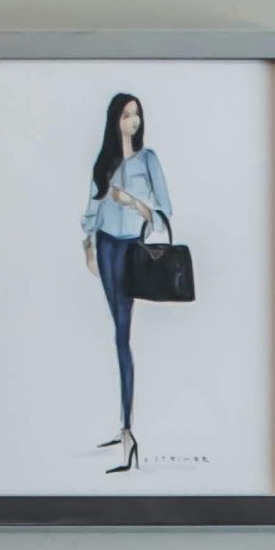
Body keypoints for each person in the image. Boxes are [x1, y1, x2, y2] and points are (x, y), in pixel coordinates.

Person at [81, 92, 170, 473]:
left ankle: (128, 428)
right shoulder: (104, 161)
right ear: (114, 120)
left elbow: (162, 210)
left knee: (123, 334)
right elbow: (91, 207)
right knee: (117, 332)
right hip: (104, 247)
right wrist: (88, 246)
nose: (132, 122)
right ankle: (124, 428)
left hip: (131, 247)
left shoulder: (148, 159)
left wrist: (130, 201)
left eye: (137, 115)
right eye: (126, 115)